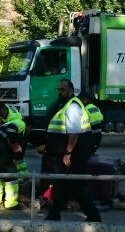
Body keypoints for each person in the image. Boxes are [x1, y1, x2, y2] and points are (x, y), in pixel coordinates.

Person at [44, 79, 100, 222]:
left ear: (71, 90)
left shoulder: (73, 106)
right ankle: (56, 214)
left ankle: (56, 214)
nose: (60, 92)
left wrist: (68, 153)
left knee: (70, 184)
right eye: (59, 89)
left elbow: (74, 133)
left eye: (62, 89)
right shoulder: (66, 105)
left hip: (74, 154)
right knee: (69, 184)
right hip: (69, 153)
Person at [0, 101, 27, 209]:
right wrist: (15, 146)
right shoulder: (20, 122)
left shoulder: (2, 124)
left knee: (1, 173)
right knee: (11, 174)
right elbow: (11, 131)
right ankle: (11, 204)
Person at [80, 91, 105, 157]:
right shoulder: (96, 108)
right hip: (98, 135)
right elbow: (102, 119)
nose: (80, 102)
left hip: (90, 135)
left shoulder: (85, 109)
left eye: (81, 100)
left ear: (86, 100)